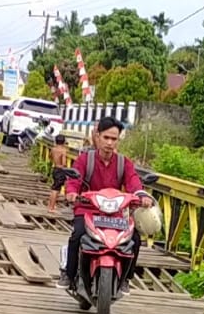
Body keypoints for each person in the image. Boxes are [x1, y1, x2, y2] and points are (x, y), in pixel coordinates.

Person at [59, 116, 153, 295]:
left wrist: (141, 195)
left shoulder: (123, 163)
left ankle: (126, 278)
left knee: (135, 239)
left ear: (118, 140)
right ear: (97, 136)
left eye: (114, 139)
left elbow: (133, 182)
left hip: (114, 213)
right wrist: (71, 193)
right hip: (88, 209)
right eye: (106, 138)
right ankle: (68, 274)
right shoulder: (85, 160)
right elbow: (74, 179)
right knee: (77, 234)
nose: (109, 143)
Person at [48, 134, 71, 212]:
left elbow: (50, 157)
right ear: (64, 142)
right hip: (60, 170)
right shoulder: (63, 150)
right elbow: (64, 163)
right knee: (56, 189)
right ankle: (51, 208)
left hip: (55, 168)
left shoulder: (53, 149)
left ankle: (51, 205)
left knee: (54, 188)